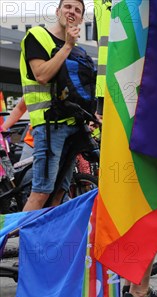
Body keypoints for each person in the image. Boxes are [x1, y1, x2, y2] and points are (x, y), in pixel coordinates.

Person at [92, 0, 157, 297]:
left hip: (116, 99)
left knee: (126, 190)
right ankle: (137, 291)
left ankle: (122, 288)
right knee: (145, 189)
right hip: (137, 97)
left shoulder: (107, 4)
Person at [20, 0, 88, 211]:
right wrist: (67, 46)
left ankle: (47, 242)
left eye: (77, 10)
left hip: (72, 125)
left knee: (60, 191)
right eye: (67, 7)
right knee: (42, 191)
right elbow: (42, 75)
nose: (72, 12)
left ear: (81, 18)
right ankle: (24, 243)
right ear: (58, 11)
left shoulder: (78, 50)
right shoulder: (37, 36)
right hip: (49, 126)